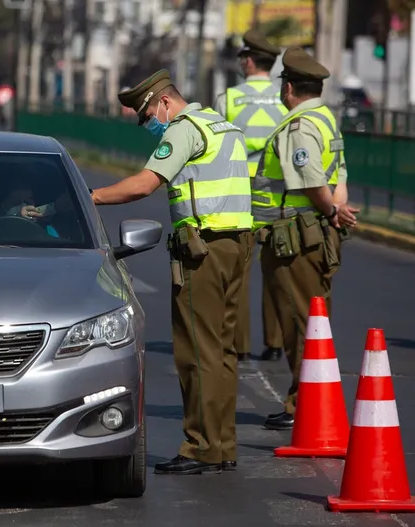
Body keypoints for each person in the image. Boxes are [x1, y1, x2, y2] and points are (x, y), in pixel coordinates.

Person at [90, 70, 253, 475]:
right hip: (237, 245)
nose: (149, 125)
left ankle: (200, 446)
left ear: (164, 102)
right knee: (223, 351)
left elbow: (143, 185)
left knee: (196, 351)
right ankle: (222, 444)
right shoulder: (222, 124)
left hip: (203, 250)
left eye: (147, 116)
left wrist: (89, 196)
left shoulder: (183, 130)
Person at [251, 48, 359, 431]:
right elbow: (339, 172)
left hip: (294, 235)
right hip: (316, 230)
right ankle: (311, 398)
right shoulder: (326, 119)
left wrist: (330, 211)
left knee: (300, 322)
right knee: (314, 318)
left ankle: (302, 404)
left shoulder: (298, 127)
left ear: (290, 87)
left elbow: (311, 179)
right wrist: (335, 212)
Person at [214, 30, 287, 363]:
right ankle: (275, 342)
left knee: (238, 269)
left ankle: (239, 345)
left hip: (239, 193)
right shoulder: (287, 97)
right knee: (277, 267)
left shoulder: (228, 99)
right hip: (277, 192)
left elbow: (217, 150)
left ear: (247, 60)